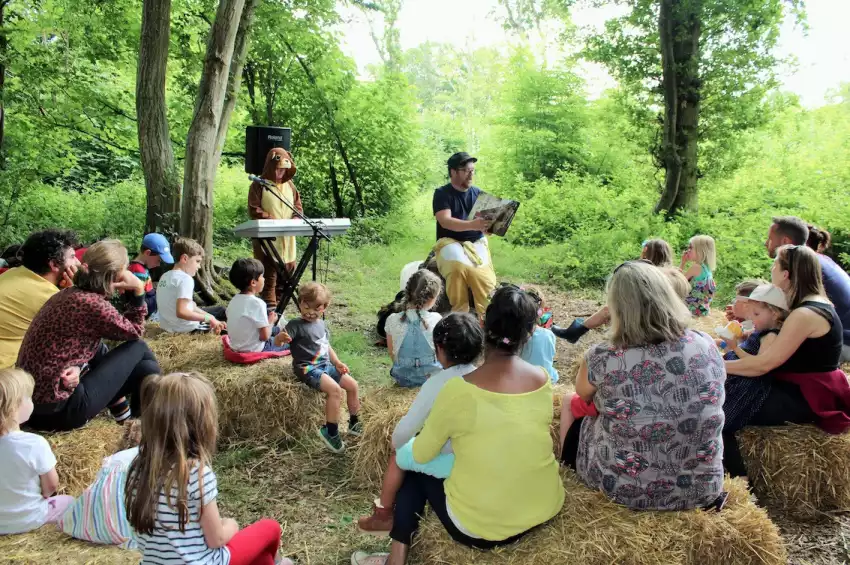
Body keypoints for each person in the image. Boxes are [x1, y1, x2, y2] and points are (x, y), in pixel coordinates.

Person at [351, 286, 564, 565]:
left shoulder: (459, 390)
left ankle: (395, 556)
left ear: (484, 324)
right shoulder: (542, 378)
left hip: (481, 528)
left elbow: (421, 454)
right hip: (544, 505)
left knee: (414, 470)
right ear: (531, 332)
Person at [560, 261, 726, 511]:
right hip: (702, 488)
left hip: (624, 490)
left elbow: (584, 396)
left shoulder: (603, 356)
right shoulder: (705, 343)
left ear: (616, 307)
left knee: (569, 402)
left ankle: (565, 465)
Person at [125, 372, 291, 565]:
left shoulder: (138, 468)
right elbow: (217, 539)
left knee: (262, 556)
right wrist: (232, 525)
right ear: (199, 424)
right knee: (269, 528)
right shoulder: (196, 473)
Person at [723, 245, 850, 477]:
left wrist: (713, 367)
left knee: (718, 413)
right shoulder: (813, 305)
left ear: (786, 274)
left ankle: (740, 484)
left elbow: (763, 365)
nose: (771, 269)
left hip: (804, 397)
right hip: (803, 389)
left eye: (775, 265)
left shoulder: (804, 314)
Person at [357, 313, 483, 535]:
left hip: (452, 460)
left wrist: (397, 443)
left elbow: (403, 432)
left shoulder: (436, 383)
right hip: (477, 457)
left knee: (399, 457)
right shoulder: (485, 377)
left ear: (439, 349)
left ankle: (383, 515)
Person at [18, 240, 161, 431]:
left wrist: (77, 366)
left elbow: (70, 349)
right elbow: (135, 332)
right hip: (59, 410)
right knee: (138, 348)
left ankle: (138, 426)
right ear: (115, 275)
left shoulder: (69, 294)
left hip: (34, 406)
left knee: (146, 367)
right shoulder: (91, 304)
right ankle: (156, 424)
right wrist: (138, 290)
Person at [279, 282, 361, 454]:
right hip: (308, 368)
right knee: (335, 391)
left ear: (324, 308)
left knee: (353, 385)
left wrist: (337, 363)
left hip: (325, 365)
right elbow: (277, 342)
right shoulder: (295, 325)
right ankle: (330, 431)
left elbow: (326, 346)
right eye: (306, 306)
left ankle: (354, 422)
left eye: (317, 309)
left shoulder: (322, 325)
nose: (310, 312)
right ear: (300, 302)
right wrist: (280, 338)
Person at [765, 216, 850, 361]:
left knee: (763, 342)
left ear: (785, 241)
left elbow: (779, 312)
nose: (766, 243)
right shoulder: (819, 259)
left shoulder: (797, 265)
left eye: (770, 239)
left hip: (840, 342)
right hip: (839, 336)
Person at [0, 368, 74, 534]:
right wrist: (46, 494)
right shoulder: (34, 444)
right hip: (29, 518)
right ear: (14, 407)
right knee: (69, 501)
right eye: (29, 397)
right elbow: (51, 485)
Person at [0, 230, 80, 368]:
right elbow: (80, 335)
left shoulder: (14, 272)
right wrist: (76, 293)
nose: (78, 262)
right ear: (54, 264)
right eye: (72, 257)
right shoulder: (52, 298)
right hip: (6, 378)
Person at [431, 152, 497, 317]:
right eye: (467, 170)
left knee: (481, 273)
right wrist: (473, 224)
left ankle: (487, 317)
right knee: (457, 267)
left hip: (476, 241)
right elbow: (445, 221)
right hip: (449, 241)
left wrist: (490, 228)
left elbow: (486, 227)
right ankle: (459, 315)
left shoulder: (478, 194)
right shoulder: (442, 193)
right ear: (453, 172)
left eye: (473, 170)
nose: (471, 174)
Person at [720, 284, 787, 435]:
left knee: (728, 414)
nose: (751, 318)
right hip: (740, 373)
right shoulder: (761, 330)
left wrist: (735, 347)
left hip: (747, 382)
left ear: (775, 314)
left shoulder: (771, 335)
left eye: (756, 314)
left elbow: (757, 363)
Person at [248, 147, 304, 309]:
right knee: (269, 280)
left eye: (284, 170)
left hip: (288, 240)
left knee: (286, 279)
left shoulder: (291, 186)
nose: (280, 173)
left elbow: (298, 208)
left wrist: (294, 218)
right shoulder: (259, 185)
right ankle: (269, 312)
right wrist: (270, 218)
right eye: (278, 169)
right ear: (271, 167)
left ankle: (278, 313)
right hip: (268, 242)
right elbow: (254, 208)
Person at [156, 237, 226, 334]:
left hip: (168, 327)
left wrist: (211, 317)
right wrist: (209, 319)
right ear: (184, 258)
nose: (199, 266)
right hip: (187, 329)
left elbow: (190, 307)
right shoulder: (185, 279)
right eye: (197, 261)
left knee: (216, 312)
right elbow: (182, 312)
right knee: (223, 312)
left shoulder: (165, 276)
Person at [385, 269, 443, 387]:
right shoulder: (436, 319)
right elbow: (442, 353)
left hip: (403, 379)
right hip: (432, 379)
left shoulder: (392, 319)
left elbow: (392, 354)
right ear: (432, 299)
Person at [225, 258, 289, 353]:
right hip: (254, 348)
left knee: (277, 329)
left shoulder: (234, 300)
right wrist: (270, 321)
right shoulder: (258, 303)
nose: (264, 279)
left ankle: (282, 329)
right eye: (262, 276)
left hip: (235, 345)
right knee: (289, 343)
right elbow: (264, 337)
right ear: (253, 282)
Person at [128, 233, 174, 319]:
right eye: (158, 260)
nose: (159, 264)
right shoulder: (139, 271)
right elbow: (138, 300)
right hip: (147, 313)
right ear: (148, 253)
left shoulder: (137, 267)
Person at [519, 286, 559, 384]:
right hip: (541, 384)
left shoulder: (506, 336)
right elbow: (547, 366)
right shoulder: (547, 335)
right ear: (539, 312)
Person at [680, 235, 717, 317]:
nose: (687, 251)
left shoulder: (696, 267)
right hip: (702, 310)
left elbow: (677, 282)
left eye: (691, 248)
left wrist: (682, 263)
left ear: (700, 251)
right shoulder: (707, 269)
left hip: (690, 310)